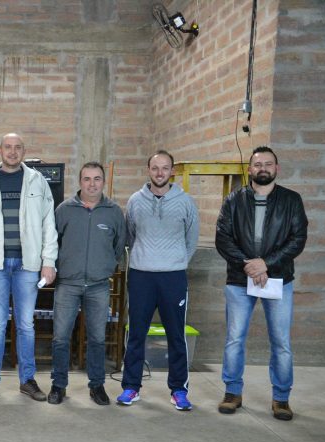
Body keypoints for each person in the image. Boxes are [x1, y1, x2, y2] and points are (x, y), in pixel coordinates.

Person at [215, 146, 308, 421]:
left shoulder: (291, 200)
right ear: (250, 169)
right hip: (239, 279)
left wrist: (266, 264)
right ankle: (232, 392)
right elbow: (223, 238)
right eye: (257, 164)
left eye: (268, 164)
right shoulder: (233, 200)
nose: (263, 168)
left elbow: (298, 239)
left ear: (276, 168)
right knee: (234, 338)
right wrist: (249, 264)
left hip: (278, 278)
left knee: (281, 341)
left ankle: (281, 398)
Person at [0, 133, 58, 402]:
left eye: (17, 147)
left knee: (26, 325)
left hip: (27, 265)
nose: (12, 152)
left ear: (24, 151)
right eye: (8, 147)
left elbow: (48, 224)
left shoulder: (37, 181)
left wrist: (48, 262)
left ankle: (27, 380)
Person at [117, 150, 199, 411]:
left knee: (176, 335)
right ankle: (131, 387)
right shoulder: (135, 201)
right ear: (148, 170)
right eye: (155, 168)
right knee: (136, 334)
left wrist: (174, 261)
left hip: (173, 277)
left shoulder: (185, 202)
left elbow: (191, 240)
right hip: (141, 276)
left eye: (165, 168)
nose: (160, 173)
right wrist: (147, 258)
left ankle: (179, 390)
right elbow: (131, 236)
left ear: (172, 171)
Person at [48, 162, 126, 406]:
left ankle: (97, 386)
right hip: (68, 284)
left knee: (97, 338)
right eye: (87, 179)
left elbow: (118, 246)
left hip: (98, 285)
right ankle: (58, 385)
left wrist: (103, 267)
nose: (92, 184)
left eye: (97, 179)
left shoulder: (114, 212)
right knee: (61, 337)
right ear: (80, 181)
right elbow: (53, 243)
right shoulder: (64, 210)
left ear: (103, 181)